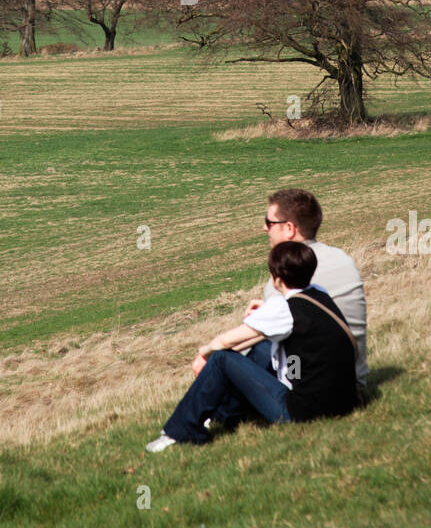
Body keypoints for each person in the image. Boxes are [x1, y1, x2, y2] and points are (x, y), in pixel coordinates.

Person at [145, 240, 357, 452]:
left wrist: (203, 353)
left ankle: (181, 431)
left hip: (302, 412)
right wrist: (266, 310)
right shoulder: (318, 293)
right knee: (265, 346)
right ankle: (228, 414)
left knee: (221, 359)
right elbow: (291, 321)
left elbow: (224, 342)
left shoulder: (283, 309)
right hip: (344, 400)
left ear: (277, 279)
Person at [250, 188, 368, 398]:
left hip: (314, 386)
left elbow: (271, 332)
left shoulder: (288, 274)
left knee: (237, 356)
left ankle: (215, 416)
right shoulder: (342, 259)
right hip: (353, 378)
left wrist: (213, 350)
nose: (264, 228)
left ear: (289, 228)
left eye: (269, 222)